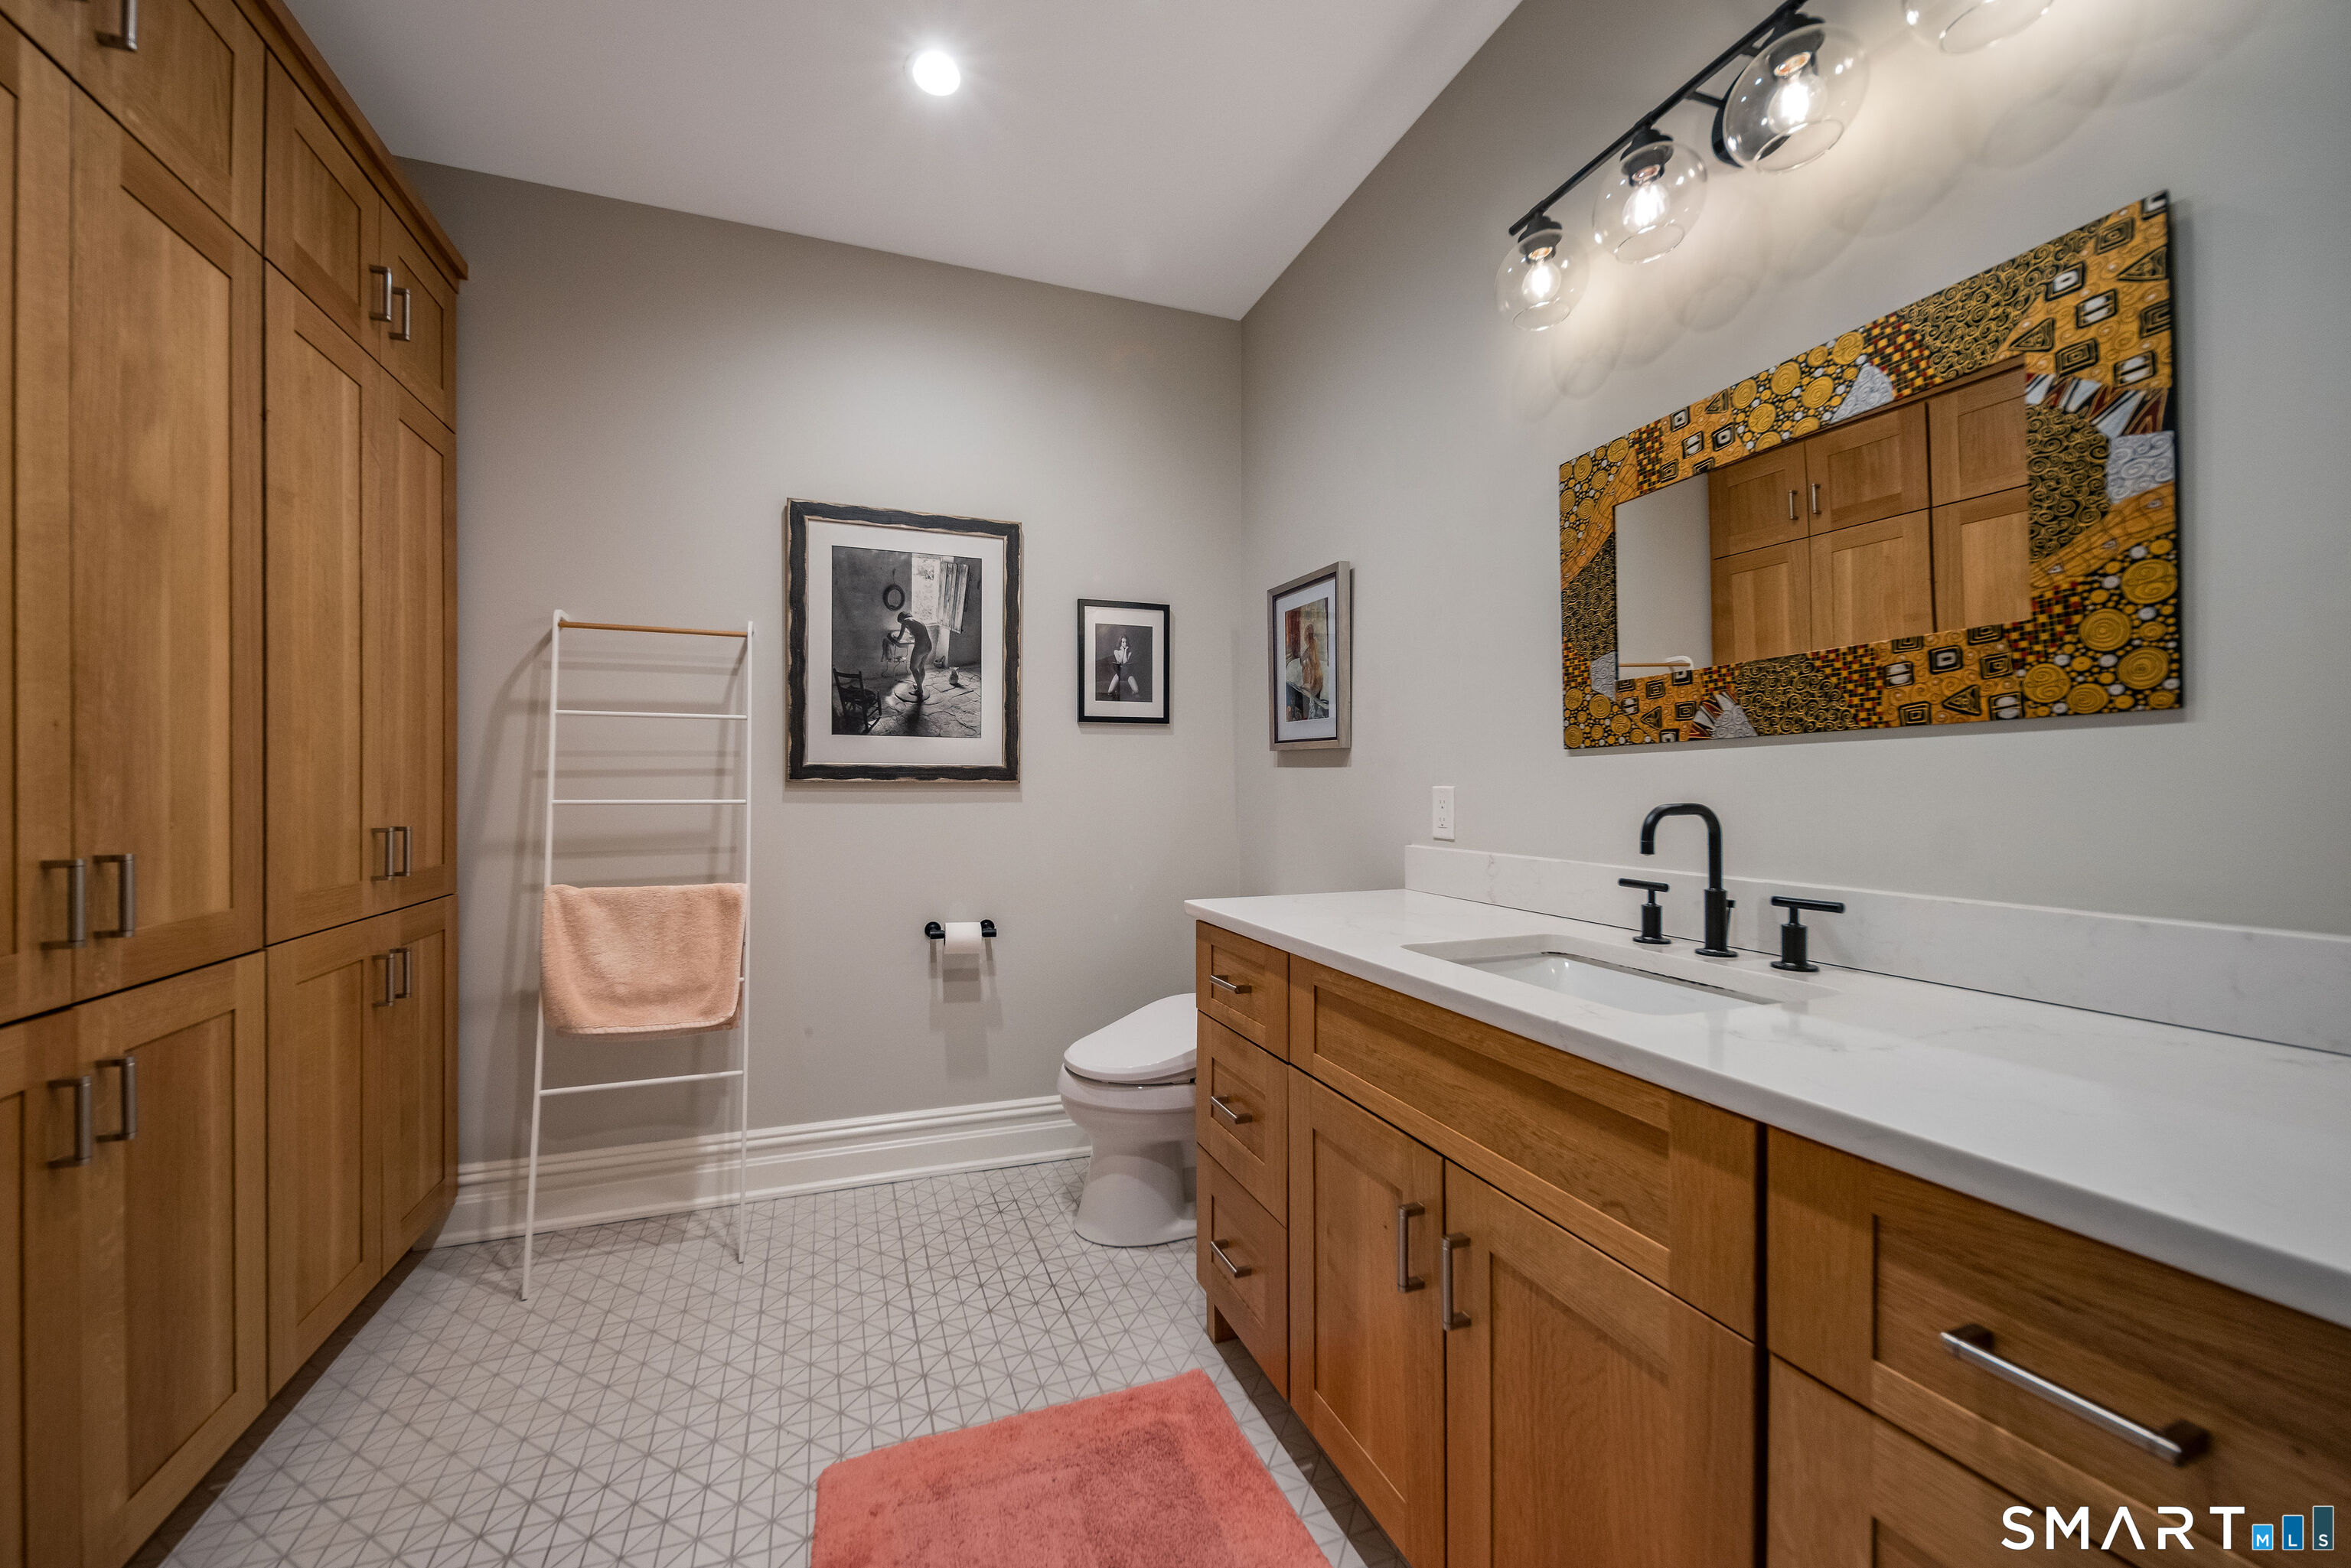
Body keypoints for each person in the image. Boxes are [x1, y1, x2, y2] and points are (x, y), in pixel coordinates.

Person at [1107, 634, 1133, 698]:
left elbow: (1125, 662)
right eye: (1123, 642)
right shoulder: (1116, 651)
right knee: (1110, 692)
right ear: (1121, 643)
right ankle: (1115, 692)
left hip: (1128, 673)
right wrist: (1123, 651)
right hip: (1119, 673)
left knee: (1136, 690)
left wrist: (1125, 651)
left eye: (1126, 642)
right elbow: (1119, 661)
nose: (1125, 644)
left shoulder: (1129, 652)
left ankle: (1130, 697)